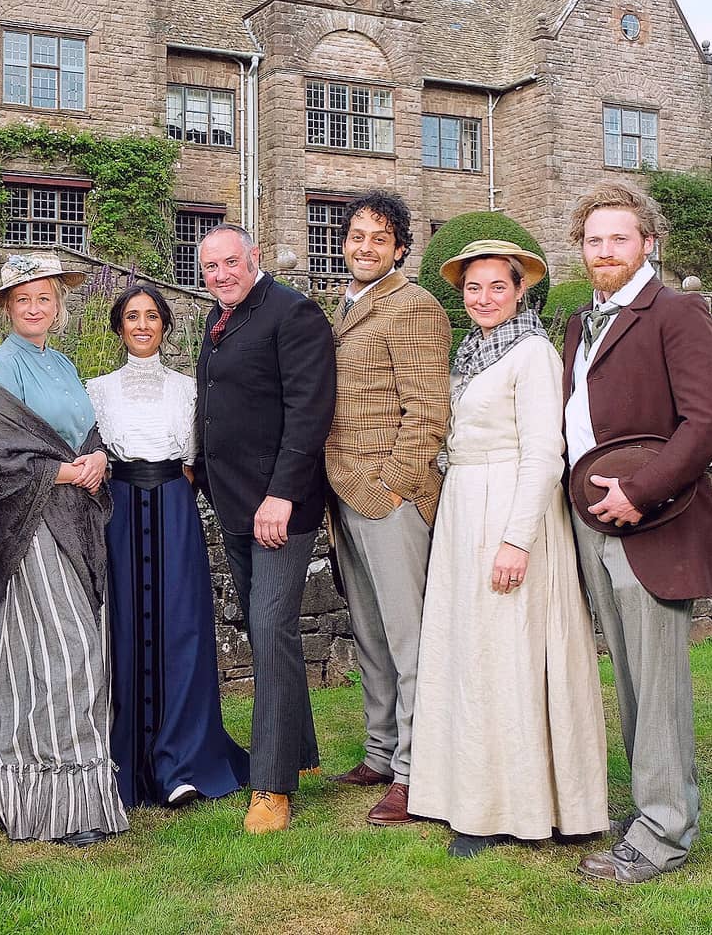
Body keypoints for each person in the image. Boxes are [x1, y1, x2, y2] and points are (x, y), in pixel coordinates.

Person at [408, 239, 608, 857]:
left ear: (521, 291)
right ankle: (471, 795)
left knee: (510, 656)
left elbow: (545, 454)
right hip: (466, 505)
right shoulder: (470, 353)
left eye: (498, 286)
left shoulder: (535, 354)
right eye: (474, 287)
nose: (484, 298)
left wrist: (516, 539)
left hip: (509, 507)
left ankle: (517, 805)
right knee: (471, 655)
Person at [0, 253, 128, 846]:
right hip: (28, 529)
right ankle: (32, 788)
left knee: (72, 648)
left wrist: (99, 456)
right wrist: (66, 474)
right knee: (57, 650)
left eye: (44, 298)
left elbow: (84, 431)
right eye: (22, 299)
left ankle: (55, 786)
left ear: (59, 305)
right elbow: (2, 455)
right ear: (4, 306)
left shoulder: (66, 365)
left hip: (75, 520)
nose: (34, 307)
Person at [562, 183, 712, 883]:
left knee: (658, 685)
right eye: (594, 240)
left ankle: (662, 836)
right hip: (592, 522)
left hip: (654, 520)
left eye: (618, 239)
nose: (605, 251)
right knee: (629, 679)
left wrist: (640, 493)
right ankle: (660, 809)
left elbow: (704, 423)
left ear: (648, 242)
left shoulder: (678, 312)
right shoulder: (578, 320)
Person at [195, 225, 336, 834]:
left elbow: (309, 411)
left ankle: (272, 785)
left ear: (253, 258)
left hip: (280, 506)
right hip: (234, 503)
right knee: (265, 630)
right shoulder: (217, 319)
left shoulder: (294, 313)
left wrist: (281, 494)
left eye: (231, 261)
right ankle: (299, 753)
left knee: (272, 622)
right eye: (209, 266)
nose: (221, 273)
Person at [87, 284, 249, 808]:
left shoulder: (189, 390)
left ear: (165, 326)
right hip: (119, 511)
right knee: (124, 629)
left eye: (151, 316)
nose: (141, 324)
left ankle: (181, 761)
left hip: (175, 508)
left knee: (182, 627)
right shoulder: (96, 390)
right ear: (118, 327)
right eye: (131, 316)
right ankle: (125, 758)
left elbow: (202, 457)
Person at [324, 191, 451, 827]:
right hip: (342, 490)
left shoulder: (415, 306)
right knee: (371, 636)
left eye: (379, 238)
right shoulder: (344, 305)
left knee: (408, 639)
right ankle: (380, 751)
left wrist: (395, 484)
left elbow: (428, 410)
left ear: (400, 247)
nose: (364, 247)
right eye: (356, 235)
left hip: (388, 494)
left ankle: (414, 769)